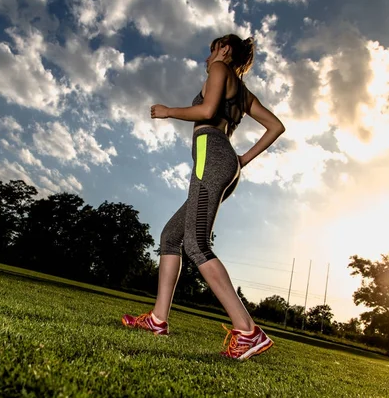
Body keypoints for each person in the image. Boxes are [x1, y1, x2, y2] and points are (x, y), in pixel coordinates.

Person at [121, 34, 286, 361]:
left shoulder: (220, 68)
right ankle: (157, 320)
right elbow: (275, 126)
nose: (208, 56)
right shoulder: (242, 90)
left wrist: (168, 111)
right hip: (222, 161)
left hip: (211, 154)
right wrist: (240, 160)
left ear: (224, 50)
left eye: (212, 49)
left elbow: (207, 109)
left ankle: (247, 331)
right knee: (171, 236)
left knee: (195, 244)